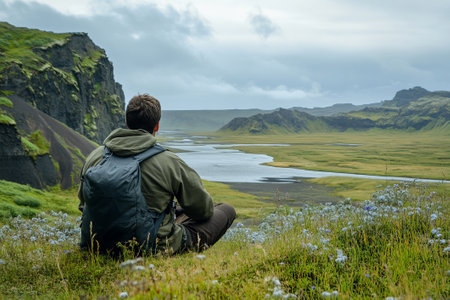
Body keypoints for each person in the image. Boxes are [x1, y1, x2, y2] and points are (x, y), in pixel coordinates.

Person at [78, 94, 236, 254]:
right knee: (226, 210)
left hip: (96, 244)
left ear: (127, 123)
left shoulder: (95, 156)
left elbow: (83, 205)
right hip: (152, 247)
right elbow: (203, 210)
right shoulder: (169, 161)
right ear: (157, 126)